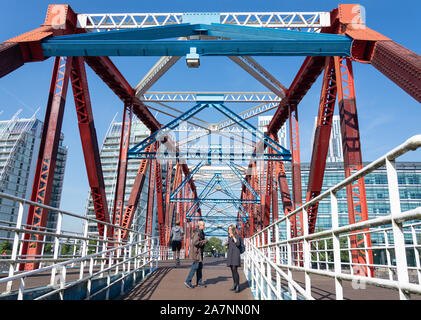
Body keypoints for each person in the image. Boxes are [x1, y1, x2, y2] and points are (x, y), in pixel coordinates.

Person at [184, 220, 208, 289]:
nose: (204, 226)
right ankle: (188, 281)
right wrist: (204, 241)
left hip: (198, 252)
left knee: (199, 267)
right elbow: (195, 242)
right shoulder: (198, 233)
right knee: (195, 267)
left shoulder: (199, 232)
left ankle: (199, 282)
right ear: (199, 225)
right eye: (203, 225)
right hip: (196, 252)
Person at [225, 224, 242, 293]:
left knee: (235, 269)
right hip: (230, 254)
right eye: (228, 229)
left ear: (233, 230)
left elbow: (238, 244)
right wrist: (227, 244)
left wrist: (233, 237)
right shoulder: (229, 237)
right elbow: (229, 246)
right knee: (232, 269)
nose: (229, 230)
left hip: (235, 254)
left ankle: (238, 286)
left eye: (230, 229)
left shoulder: (237, 236)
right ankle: (234, 284)